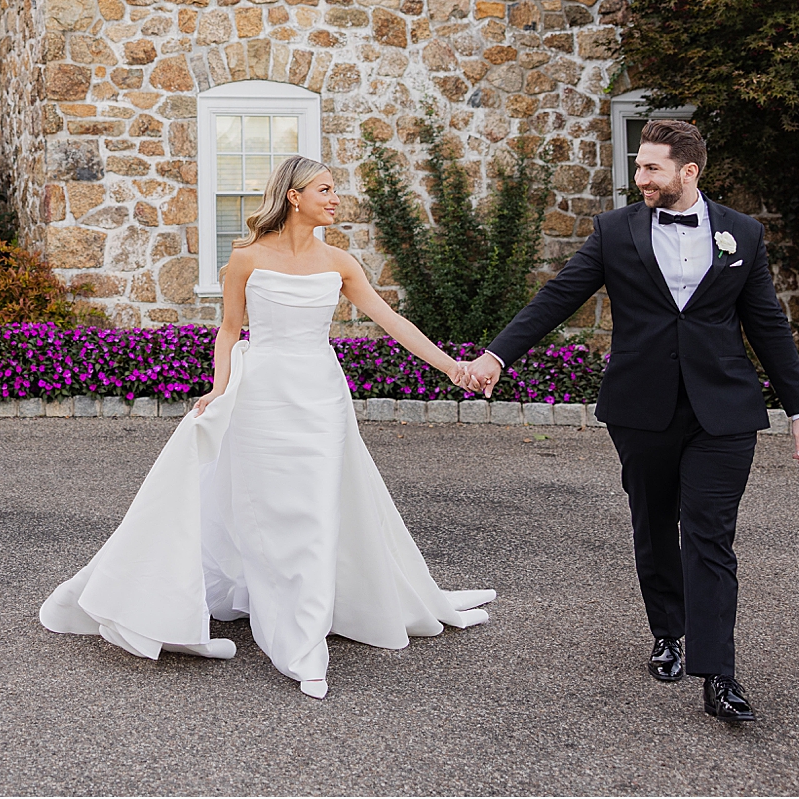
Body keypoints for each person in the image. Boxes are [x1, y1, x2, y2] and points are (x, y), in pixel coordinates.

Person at [39, 156, 496, 699]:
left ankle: (304, 633)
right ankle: (293, 635)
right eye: (324, 189)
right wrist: (218, 387)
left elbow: (393, 322)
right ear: (294, 197)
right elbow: (229, 330)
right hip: (262, 397)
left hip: (322, 396)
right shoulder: (248, 260)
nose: (335, 198)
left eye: (335, 190)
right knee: (271, 509)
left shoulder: (341, 262)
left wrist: (452, 367)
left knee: (316, 508)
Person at [458, 119, 799, 724]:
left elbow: (768, 325)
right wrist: (497, 355)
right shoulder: (615, 231)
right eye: (638, 167)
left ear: (688, 171)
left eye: (651, 168)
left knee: (710, 535)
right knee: (655, 524)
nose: (639, 178)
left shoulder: (743, 235)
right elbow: (558, 296)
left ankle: (720, 674)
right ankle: (668, 633)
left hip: (723, 410)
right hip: (642, 407)